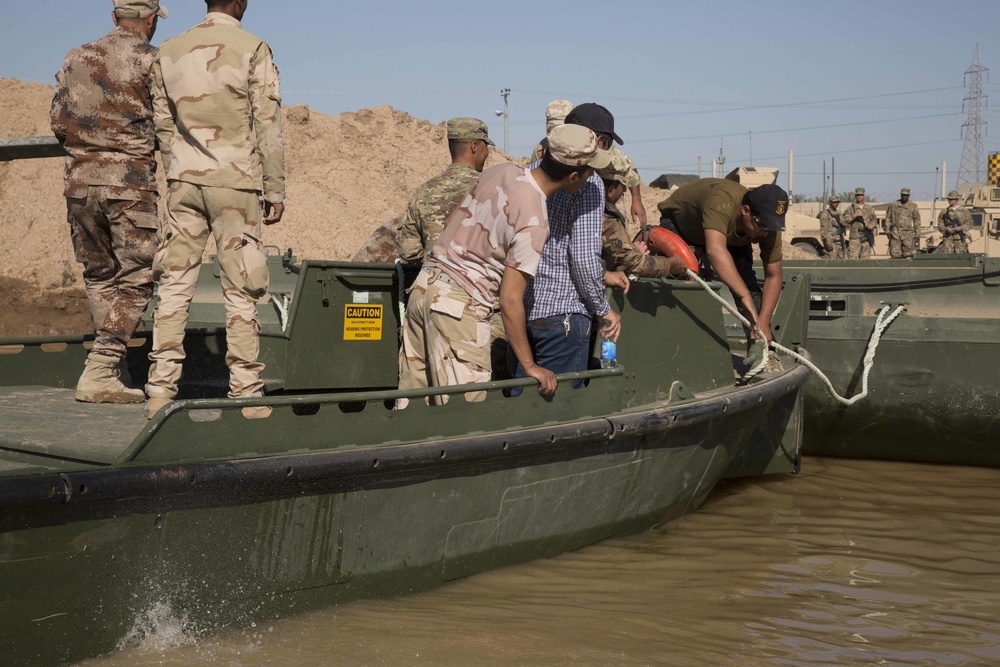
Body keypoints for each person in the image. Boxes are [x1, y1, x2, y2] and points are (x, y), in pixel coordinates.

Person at [397, 124, 610, 404]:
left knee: (412, 413)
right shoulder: (534, 220)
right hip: (459, 309)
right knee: (462, 420)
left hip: (424, 289)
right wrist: (530, 366)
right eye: (590, 170)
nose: (592, 176)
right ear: (573, 176)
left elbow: (451, 223)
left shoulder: (500, 172)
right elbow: (510, 299)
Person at [145, 0, 285, 419]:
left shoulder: (169, 50)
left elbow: (163, 124)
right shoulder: (254, 48)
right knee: (241, 289)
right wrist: (275, 189)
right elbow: (269, 124)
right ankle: (245, 392)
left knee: (173, 285)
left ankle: (159, 391)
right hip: (235, 184)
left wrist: (181, 169)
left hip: (184, 182)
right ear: (241, 3)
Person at [50, 0, 168, 404]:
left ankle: (112, 372)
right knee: (138, 277)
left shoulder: (75, 56)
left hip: (79, 182)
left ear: (114, 16)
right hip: (130, 186)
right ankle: (101, 367)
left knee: (100, 275)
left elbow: (58, 123)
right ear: (151, 20)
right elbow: (168, 125)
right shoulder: (154, 60)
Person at [515, 104, 623, 388]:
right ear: (595, 139)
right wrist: (603, 310)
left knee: (518, 409)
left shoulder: (532, 171)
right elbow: (583, 258)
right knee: (559, 416)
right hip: (563, 316)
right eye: (607, 141)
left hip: (525, 311)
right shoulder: (590, 182)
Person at [657, 178, 788, 345]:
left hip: (726, 236)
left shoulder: (767, 227)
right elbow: (715, 251)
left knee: (749, 288)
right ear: (745, 211)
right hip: (683, 224)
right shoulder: (720, 202)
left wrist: (763, 320)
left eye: (770, 227)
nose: (764, 233)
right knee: (681, 281)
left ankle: (761, 351)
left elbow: (773, 275)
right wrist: (743, 295)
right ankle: (672, 344)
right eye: (761, 226)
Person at [396, 118, 493, 263]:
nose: (487, 153)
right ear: (474, 146)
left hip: (432, 280)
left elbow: (408, 252)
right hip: (475, 282)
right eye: (486, 146)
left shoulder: (422, 191)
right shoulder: (490, 188)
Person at [599, 147, 687, 278]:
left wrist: (630, 251)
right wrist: (670, 264)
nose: (624, 190)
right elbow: (638, 264)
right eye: (622, 185)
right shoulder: (607, 220)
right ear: (610, 191)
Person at [886, 187, 921, 258]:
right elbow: (888, 218)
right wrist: (887, 230)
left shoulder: (913, 206)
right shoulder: (894, 205)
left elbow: (917, 220)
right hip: (895, 234)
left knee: (908, 254)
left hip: (907, 234)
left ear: (909, 196)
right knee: (895, 255)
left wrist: (917, 234)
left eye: (906, 195)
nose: (904, 197)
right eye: (903, 195)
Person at [844, 187, 877, 259]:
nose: (859, 197)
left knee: (865, 260)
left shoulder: (869, 208)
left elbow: (874, 219)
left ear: (864, 196)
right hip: (855, 237)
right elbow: (845, 221)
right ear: (855, 196)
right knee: (853, 259)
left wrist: (871, 224)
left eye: (861, 195)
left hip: (866, 237)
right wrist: (855, 215)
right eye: (858, 195)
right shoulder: (850, 208)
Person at [817, 195, 845, 259]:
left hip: (840, 241)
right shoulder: (825, 214)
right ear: (830, 203)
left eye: (838, 202)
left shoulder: (839, 213)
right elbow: (824, 230)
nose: (836, 204)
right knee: (830, 261)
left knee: (841, 262)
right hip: (831, 242)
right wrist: (828, 242)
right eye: (834, 202)